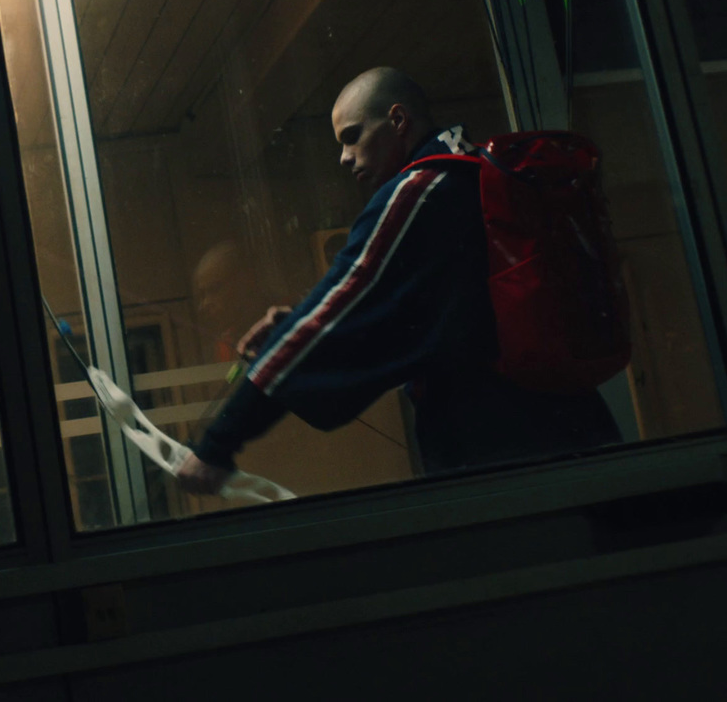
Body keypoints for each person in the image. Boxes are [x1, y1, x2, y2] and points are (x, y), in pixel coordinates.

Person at [176, 67, 621, 494]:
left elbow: (333, 316)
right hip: (569, 432)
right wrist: (301, 320)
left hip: (507, 453)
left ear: (398, 120)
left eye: (352, 136)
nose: (344, 157)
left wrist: (218, 444)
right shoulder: (471, 179)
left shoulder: (420, 192)